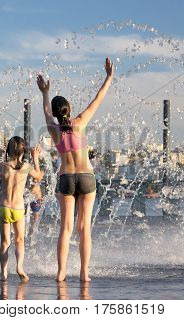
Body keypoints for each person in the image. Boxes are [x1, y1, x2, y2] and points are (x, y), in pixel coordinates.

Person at [37, 57, 114, 282]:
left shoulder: (54, 129)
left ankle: (61, 273)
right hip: (87, 178)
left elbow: (45, 113)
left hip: (66, 178)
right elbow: (98, 99)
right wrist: (108, 77)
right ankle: (84, 273)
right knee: (84, 229)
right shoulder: (80, 122)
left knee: (66, 228)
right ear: (69, 109)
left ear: (55, 111)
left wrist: (44, 92)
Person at [0, 137, 43, 282]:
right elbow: (39, 176)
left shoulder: (3, 165)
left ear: (9, 151)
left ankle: (3, 273)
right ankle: (19, 267)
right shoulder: (26, 167)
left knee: (5, 242)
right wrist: (35, 158)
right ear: (23, 151)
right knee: (19, 240)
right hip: (18, 209)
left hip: (5, 207)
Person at [27, 177, 44, 245]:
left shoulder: (39, 171)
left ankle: (31, 239)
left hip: (37, 199)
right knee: (25, 219)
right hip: (27, 197)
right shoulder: (27, 169)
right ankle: (24, 237)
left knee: (34, 221)